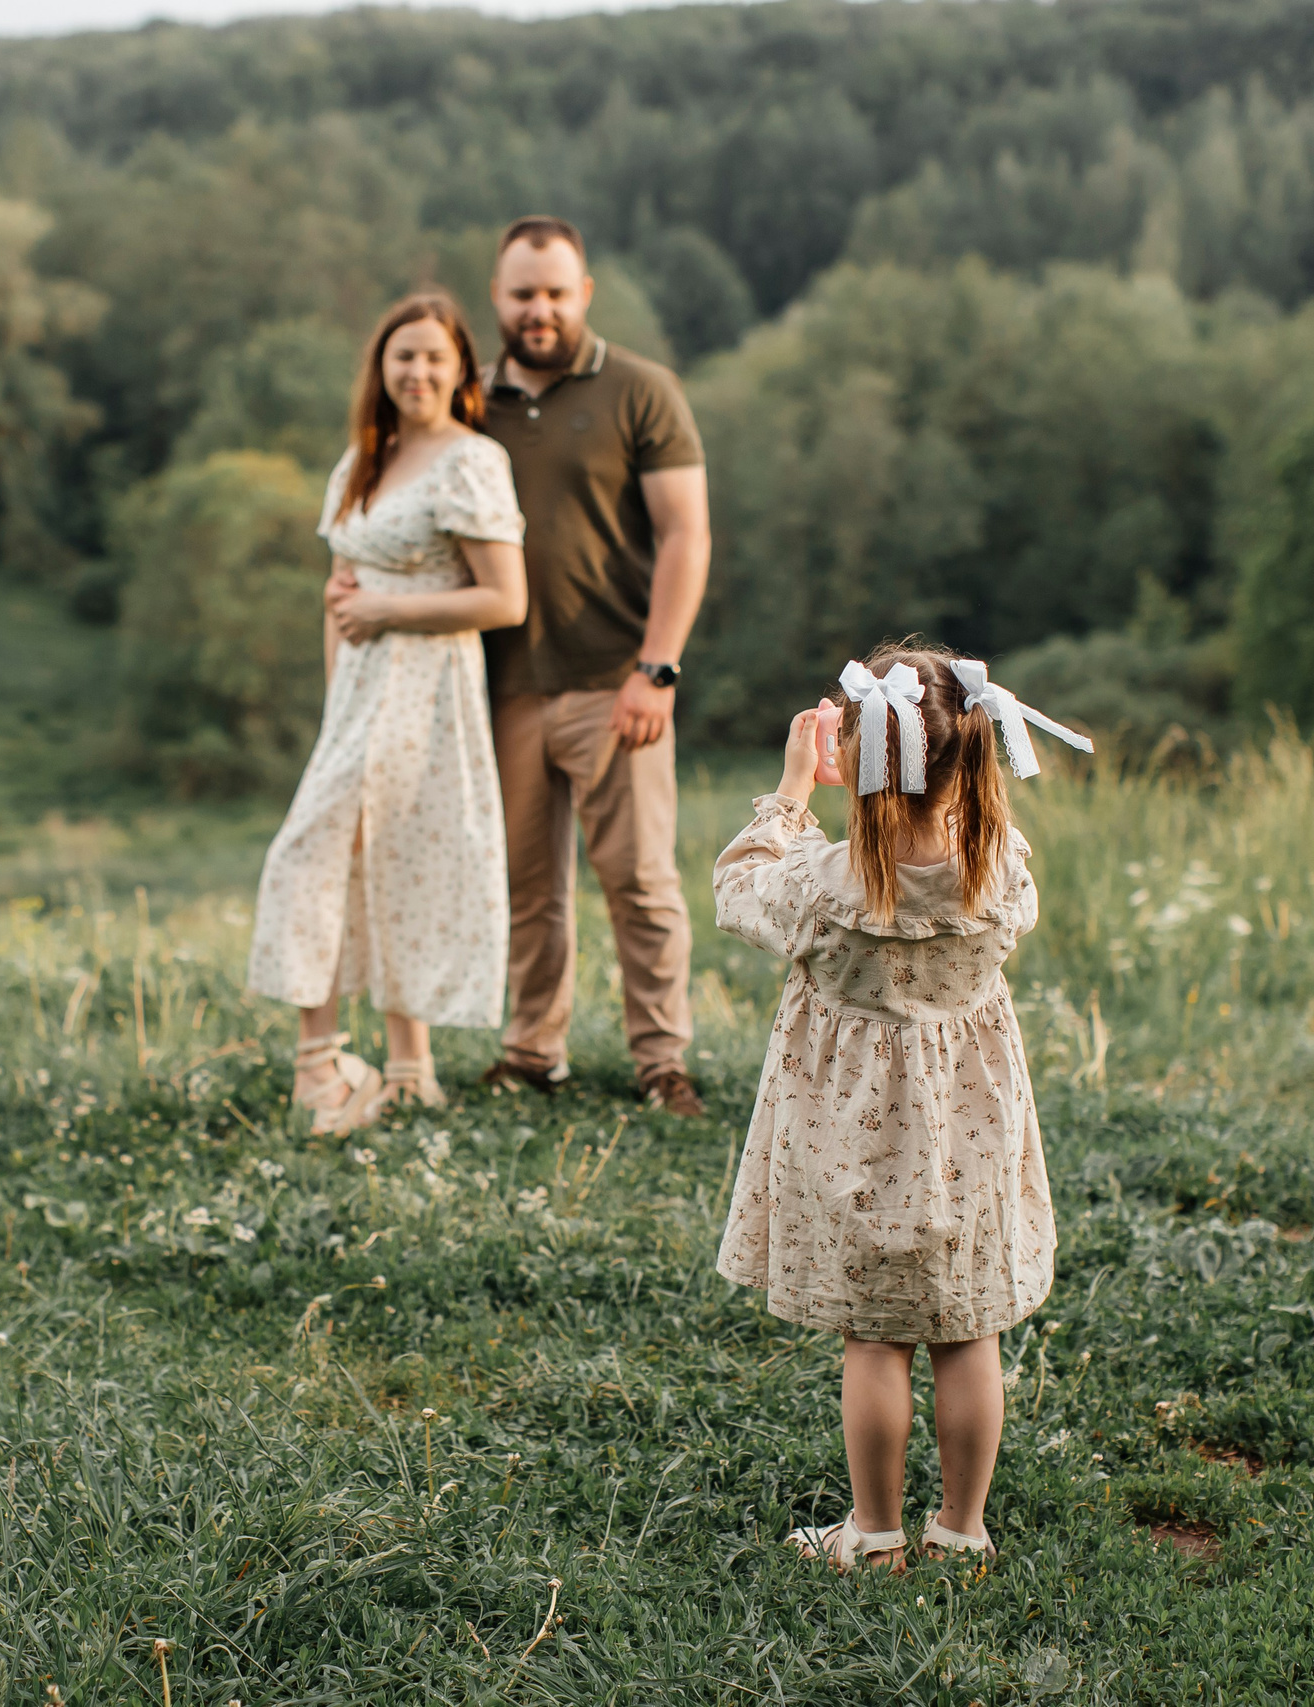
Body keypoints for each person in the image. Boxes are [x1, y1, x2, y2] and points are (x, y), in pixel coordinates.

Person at [711, 642, 1092, 1571]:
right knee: (969, 1333)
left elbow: (738, 890)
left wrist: (795, 793)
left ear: (868, 764)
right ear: (975, 755)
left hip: (854, 1142)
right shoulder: (1000, 869)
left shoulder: (827, 888)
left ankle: (874, 1531)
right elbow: (970, 868)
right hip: (969, 1139)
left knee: (874, 1336)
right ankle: (963, 1530)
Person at [246, 293, 529, 1135]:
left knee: (394, 856)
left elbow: (505, 599)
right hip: (361, 691)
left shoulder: (471, 460)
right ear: (381, 365)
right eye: (403, 355)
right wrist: (341, 685)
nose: (418, 372)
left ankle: (374, 1072)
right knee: (327, 855)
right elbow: (340, 597)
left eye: (436, 357)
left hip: (429, 687)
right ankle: (354, 1068)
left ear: (460, 371)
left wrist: (386, 614)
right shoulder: (363, 459)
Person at [476, 215, 713, 1117]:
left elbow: (686, 533)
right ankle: (533, 1051)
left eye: (555, 292)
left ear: (584, 295)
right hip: (502, 690)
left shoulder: (640, 390)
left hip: (617, 680)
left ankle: (662, 1062)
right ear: (496, 298)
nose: (539, 310)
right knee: (529, 887)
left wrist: (657, 669)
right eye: (521, 293)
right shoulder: (468, 400)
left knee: (641, 881)